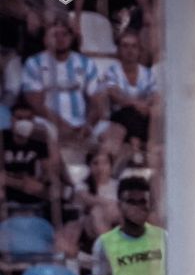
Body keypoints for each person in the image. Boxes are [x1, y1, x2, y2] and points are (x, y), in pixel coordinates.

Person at [21, 21, 104, 149]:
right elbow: (36, 104)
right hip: (48, 123)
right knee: (39, 130)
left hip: (82, 123)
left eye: (64, 34)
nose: (60, 39)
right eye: (55, 35)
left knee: (116, 131)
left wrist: (88, 125)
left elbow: (97, 102)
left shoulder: (86, 63)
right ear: (45, 39)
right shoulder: (34, 63)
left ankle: (104, 166)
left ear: (71, 38)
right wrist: (62, 125)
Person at [101, 31, 156, 155]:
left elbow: (154, 94)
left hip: (143, 115)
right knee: (129, 113)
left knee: (152, 115)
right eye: (125, 46)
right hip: (120, 116)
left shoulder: (147, 73)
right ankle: (136, 146)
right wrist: (137, 104)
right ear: (119, 50)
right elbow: (115, 95)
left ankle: (136, 144)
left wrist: (146, 105)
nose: (129, 50)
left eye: (134, 46)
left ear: (139, 50)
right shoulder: (112, 71)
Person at [1, 95, 55, 211]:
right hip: (8, 184)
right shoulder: (2, 138)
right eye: (19, 118)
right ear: (12, 120)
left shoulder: (39, 139)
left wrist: (41, 182)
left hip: (31, 185)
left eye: (28, 119)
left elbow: (48, 169)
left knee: (55, 190)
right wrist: (20, 183)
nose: (24, 123)